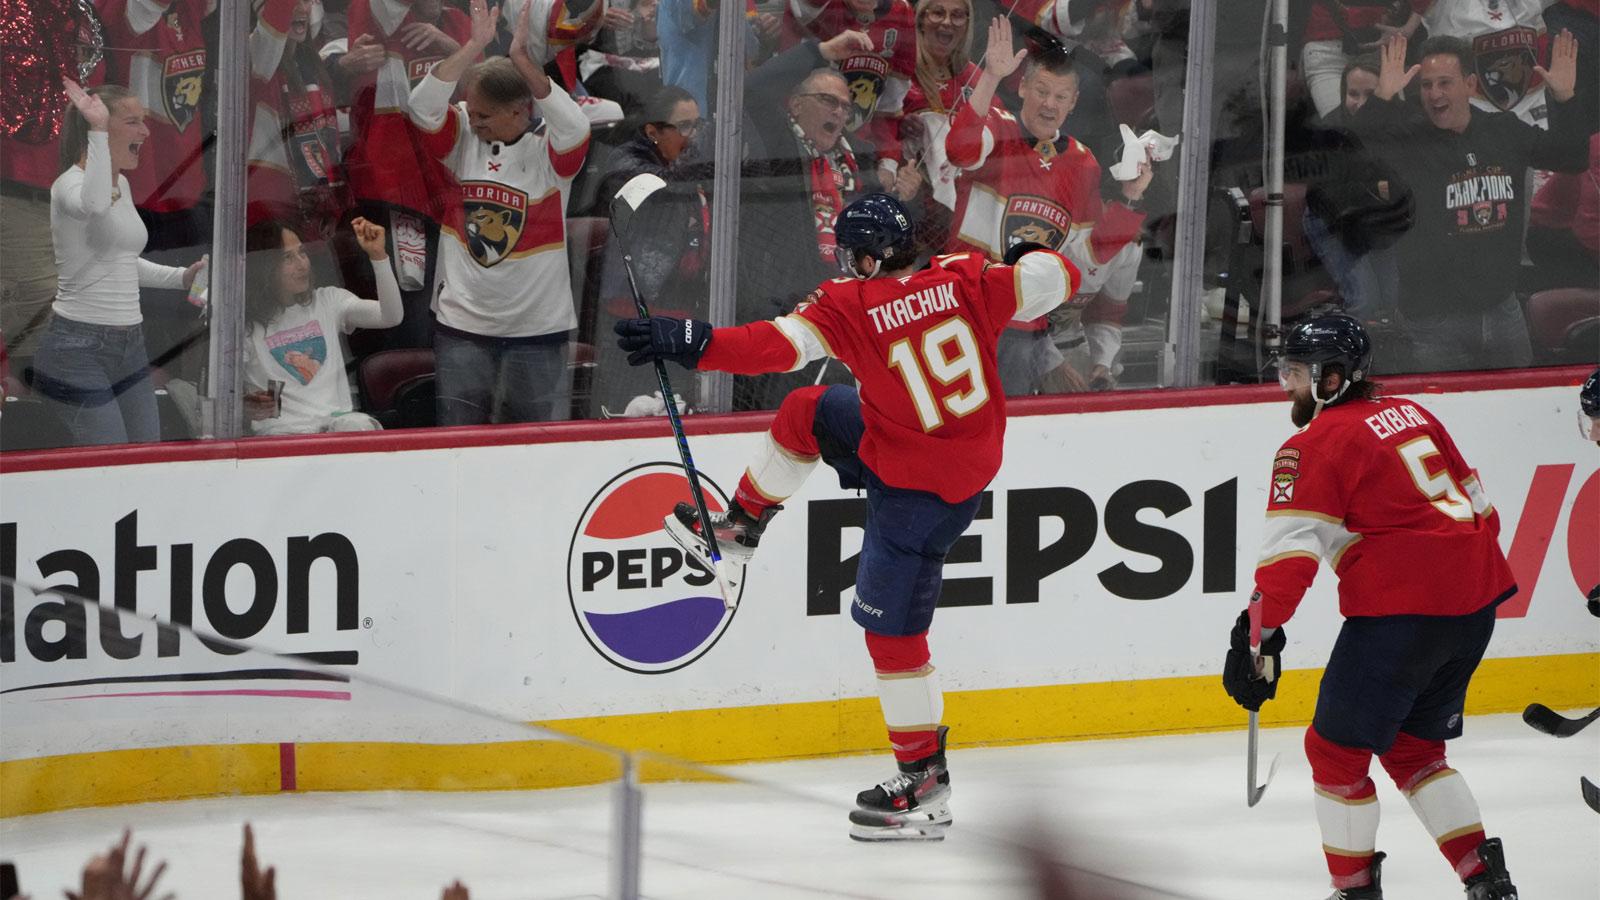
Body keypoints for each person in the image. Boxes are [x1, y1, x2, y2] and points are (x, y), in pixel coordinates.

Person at [614, 192, 1080, 840]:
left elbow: (773, 347)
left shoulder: (850, 304)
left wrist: (693, 341)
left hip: (918, 496)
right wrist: (1029, 251)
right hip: (953, 463)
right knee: (809, 410)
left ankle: (923, 781)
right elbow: (1058, 277)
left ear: (864, 256)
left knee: (893, 636)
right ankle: (742, 524)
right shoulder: (965, 277)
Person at [1221, 313, 1522, 900]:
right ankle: (1488, 881)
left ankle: (1354, 892)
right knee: (1413, 747)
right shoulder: (1416, 415)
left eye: (1296, 373)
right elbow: (1485, 511)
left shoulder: (1312, 444)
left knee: (1333, 751)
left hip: (1402, 616)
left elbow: (1290, 557)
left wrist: (1256, 634)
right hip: (1475, 603)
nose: (1285, 383)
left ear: (1332, 380)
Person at [1352, 32, 1594, 372]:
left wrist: (1565, 97)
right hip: (1432, 323)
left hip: (1502, 311)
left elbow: (1572, 157)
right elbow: (1351, 152)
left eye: (1445, 83)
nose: (1434, 94)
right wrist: (1383, 97)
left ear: (1470, 83)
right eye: (1426, 85)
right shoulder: (1409, 139)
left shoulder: (1504, 131)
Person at [407, 0, 591, 424]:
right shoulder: (461, 139)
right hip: (461, 327)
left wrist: (523, 60)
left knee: (538, 448)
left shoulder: (551, 154)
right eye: (470, 112)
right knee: (459, 446)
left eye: (484, 115)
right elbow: (421, 106)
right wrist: (474, 46)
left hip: (538, 331)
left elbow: (576, 126)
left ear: (519, 110)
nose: (473, 122)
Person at [944, 19, 1149, 395]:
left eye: (1060, 96)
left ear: (1072, 104)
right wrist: (990, 76)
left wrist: (1129, 197)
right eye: (1041, 90)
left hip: (1021, 327)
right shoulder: (997, 126)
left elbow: (1089, 258)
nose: (1049, 104)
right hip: (964, 312)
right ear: (1022, 87)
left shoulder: (1082, 163)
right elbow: (960, 150)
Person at [34, 80, 205, 447]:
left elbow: (122, 263)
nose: (145, 131)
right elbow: (93, 206)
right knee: (110, 459)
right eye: (132, 122)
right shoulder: (67, 186)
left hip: (130, 345)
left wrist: (182, 277)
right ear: (97, 127)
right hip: (76, 349)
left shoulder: (122, 185)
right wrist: (96, 129)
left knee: (144, 452)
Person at [593, 86, 712, 413]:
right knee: (630, 413)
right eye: (684, 126)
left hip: (682, 310)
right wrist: (703, 167)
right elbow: (654, 187)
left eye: (698, 125)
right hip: (634, 312)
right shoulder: (626, 160)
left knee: (675, 412)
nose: (694, 136)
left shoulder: (687, 165)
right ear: (652, 131)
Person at [243, 217, 402, 435]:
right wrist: (246, 406)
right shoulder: (244, 326)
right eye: (287, 258)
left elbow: (390, 316)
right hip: (280, 436)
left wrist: (378, 257)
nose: (302, 264)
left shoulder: (328, 301)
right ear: (265, 268)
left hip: (337, 430)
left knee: (358, 425)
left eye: (302, 252)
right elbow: (223, 396)